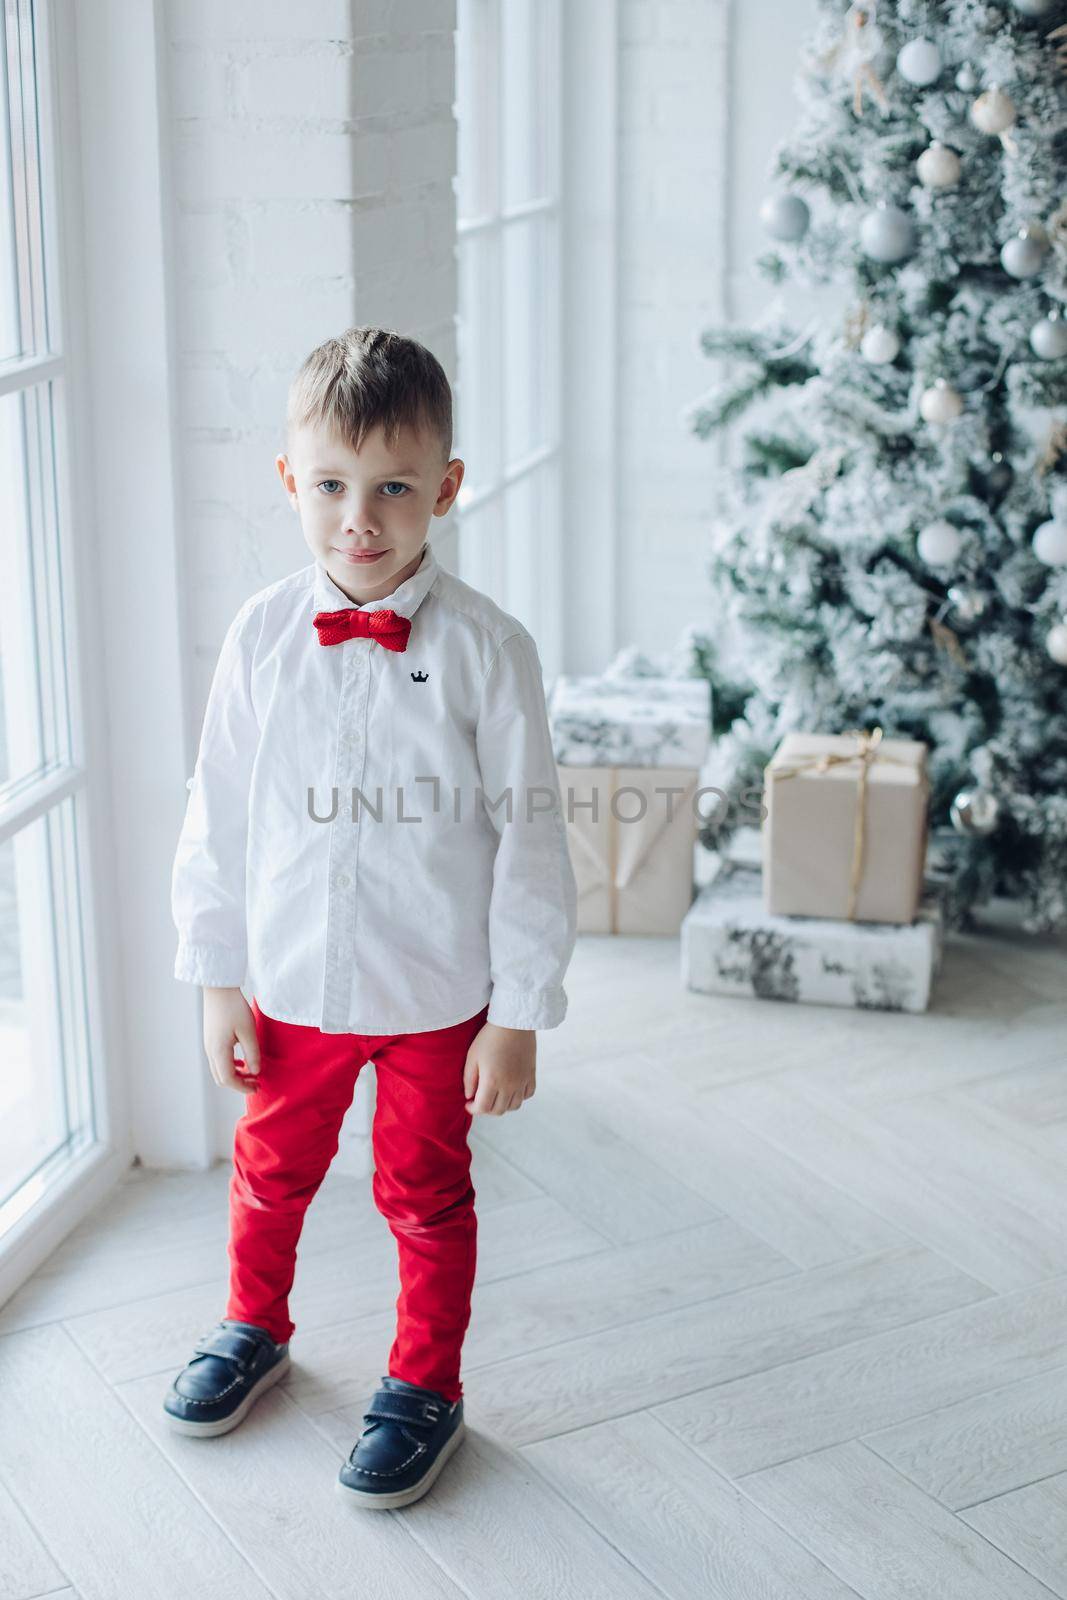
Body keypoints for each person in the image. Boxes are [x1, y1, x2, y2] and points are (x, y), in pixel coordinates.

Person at [162, 325, 578, 1510]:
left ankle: (423, 1384)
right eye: (334, 485)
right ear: (292, 481)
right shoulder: (258, 638)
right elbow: (218, 815)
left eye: (395, 487)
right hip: (292, 982)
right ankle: (253, 1324)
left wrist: (519, 1013)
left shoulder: (490, 652)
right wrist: (217, 975)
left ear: (444, 487)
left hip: (436, 993)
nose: (362, 517)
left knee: (425, 1193)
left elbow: (531, 837)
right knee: (269, 1169)